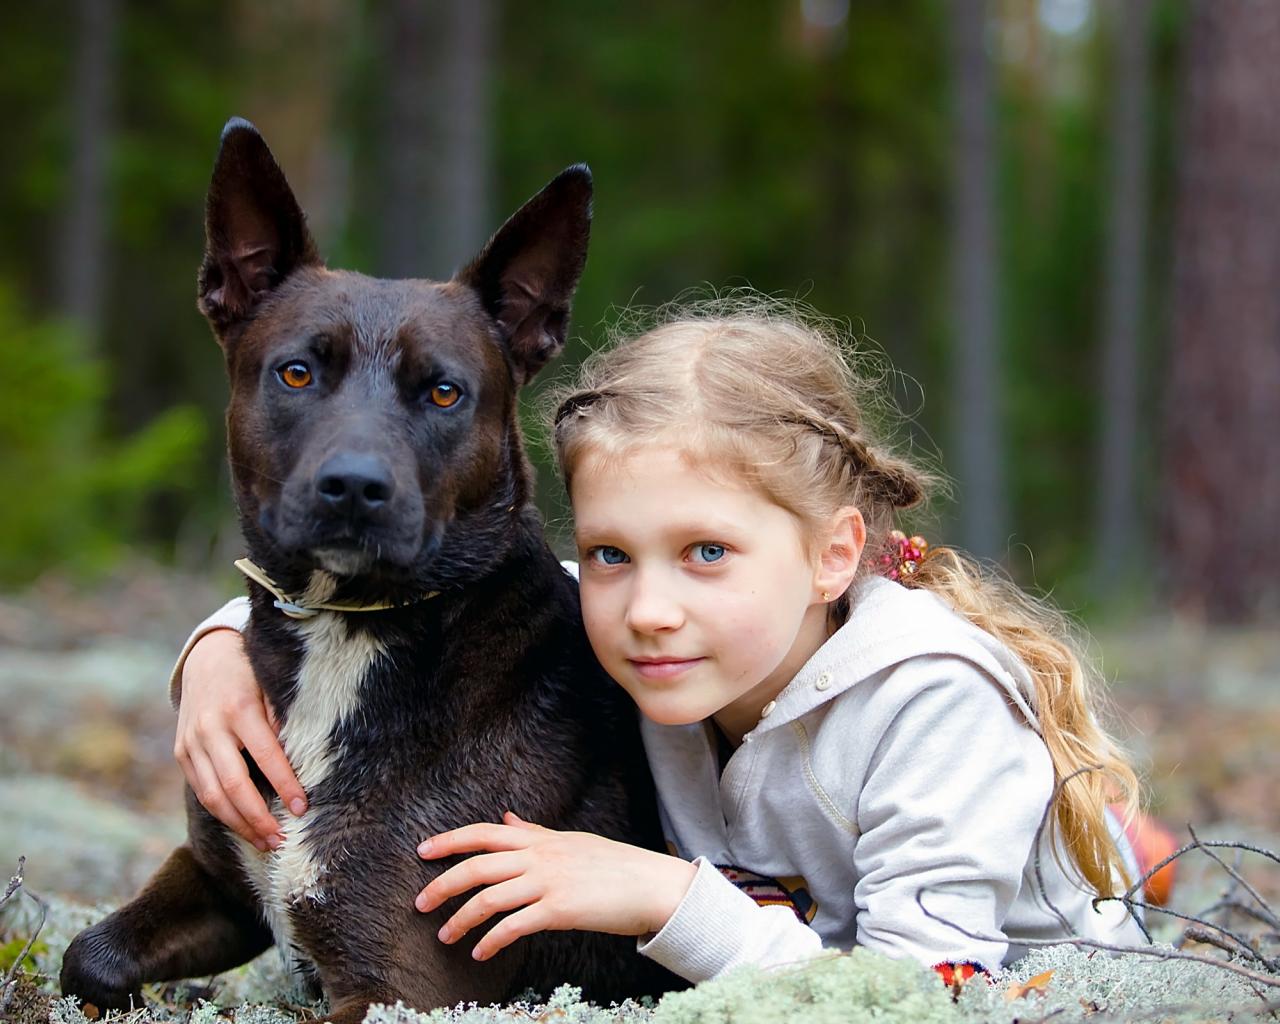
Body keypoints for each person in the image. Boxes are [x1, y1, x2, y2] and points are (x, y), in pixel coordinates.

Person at [171, 298, 1152, 985]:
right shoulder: (666, 641)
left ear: (832, 555)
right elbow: (451, 589)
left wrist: (668, 897)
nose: (647, 608)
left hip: (1032, 979)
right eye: (611, 553)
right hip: (803, 938)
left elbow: (927, 994)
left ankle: (1109, 847)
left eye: (706, 552)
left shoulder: (929, 707)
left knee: (1063, 858)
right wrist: (218, 647)